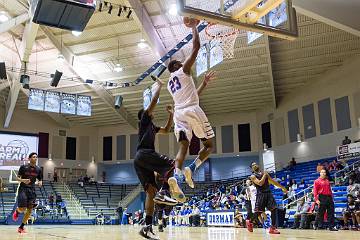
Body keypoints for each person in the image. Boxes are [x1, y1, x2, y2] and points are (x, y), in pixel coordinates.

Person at [167, 21, 216, 192]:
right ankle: (192, 168)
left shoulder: (169, 83)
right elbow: (196, 47)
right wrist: (194, 27)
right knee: (209, 146)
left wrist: (203, 84)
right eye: (181, 62)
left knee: (183, 146)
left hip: (179, 114)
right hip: (193, 110)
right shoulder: (183, 70)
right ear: (178, 66)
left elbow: (190, 95)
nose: (183, 63)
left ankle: (176, 173)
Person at [134, 77, 178, 240]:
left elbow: (166, 130)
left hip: (139, 161)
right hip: (144, 153)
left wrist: (171, 115)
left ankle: (147, 226)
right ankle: (165, 190)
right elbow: (152, 102)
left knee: (150, 193)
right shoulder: (145, 120)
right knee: (173, 164)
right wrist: (158, 86)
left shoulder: (152, 127)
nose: (152, 112)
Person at [249, 162, 288, 234]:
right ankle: (250, 222)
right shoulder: (253, 176)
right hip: (261, 195)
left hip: (268, 194)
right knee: (258, 212)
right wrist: (265, 175)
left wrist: (282, 187)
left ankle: (272, 228)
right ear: (252, 168)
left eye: (256, 164)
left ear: (258, 166)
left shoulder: (264, 174)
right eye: (253, 165)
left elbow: (273, 182)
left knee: (274, 209)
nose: (255, 165)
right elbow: (260, 183)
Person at [12, 152, 43, 234]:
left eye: (36, 157)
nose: (35, 158)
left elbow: (40, 179)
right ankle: (17, 211)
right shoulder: (23, 167)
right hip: (23, 189)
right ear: (29, 159)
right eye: (33, 157)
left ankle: (21, 227)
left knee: (30, 210)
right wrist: (23, 180)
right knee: (23, 209)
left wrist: (40, 182)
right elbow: (17, 178)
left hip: (32, 190)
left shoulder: (39, 169)